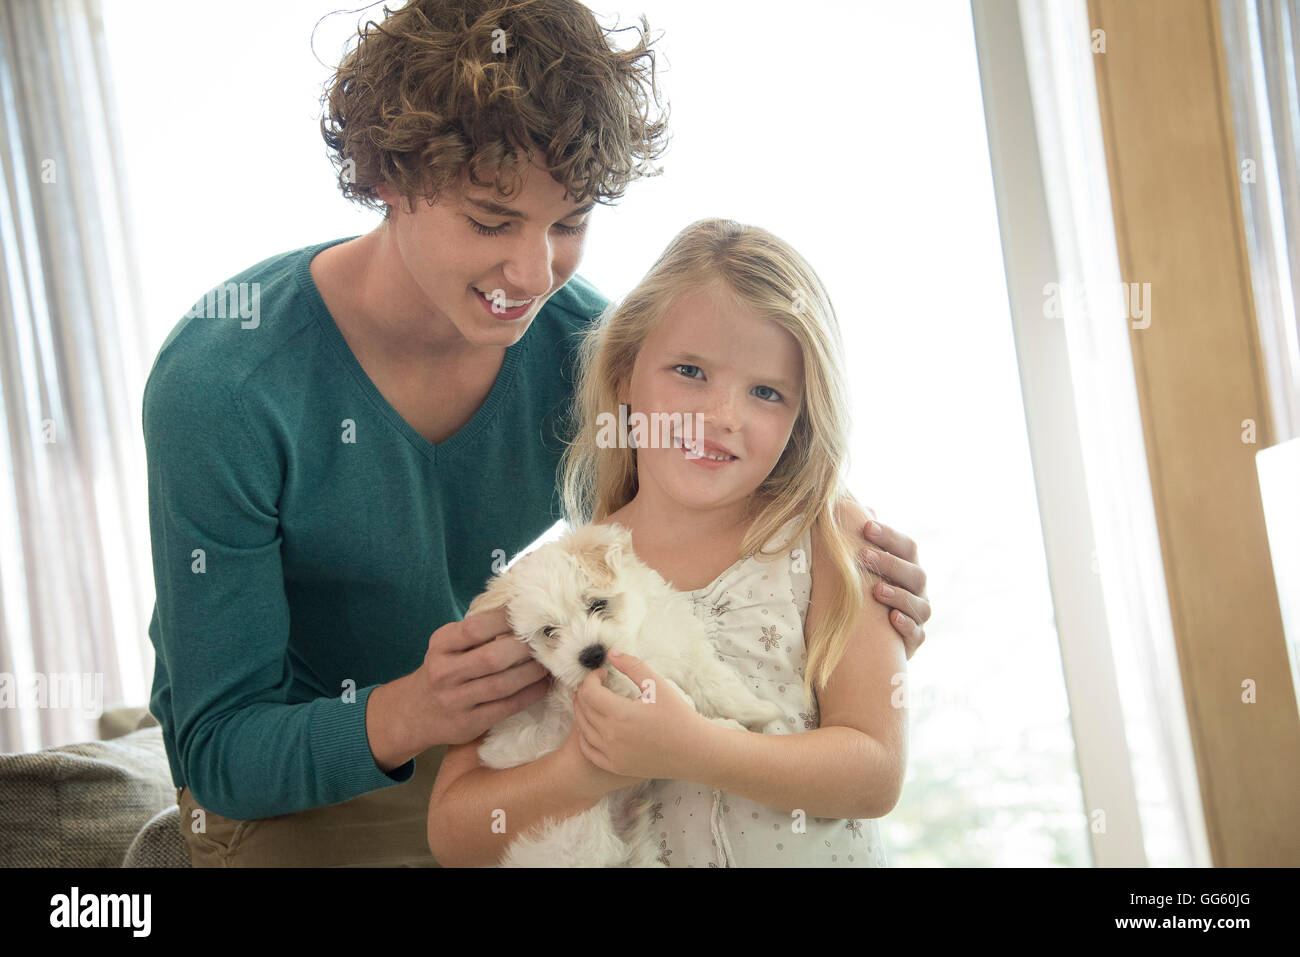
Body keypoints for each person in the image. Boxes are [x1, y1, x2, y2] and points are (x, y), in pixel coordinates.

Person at [143, 0, 930, 868]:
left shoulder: (586, 351)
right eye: (491, 220)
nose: (532, 273)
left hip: (517, 749)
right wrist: (417, 708)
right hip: (304, 776)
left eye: (570, 223)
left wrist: (848, 592)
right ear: (386, 177)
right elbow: (219, 752)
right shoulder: (225, 387)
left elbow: (710, 497)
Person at [428, 218, 907, 866]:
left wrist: (694, 750)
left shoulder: (829, 537)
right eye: (689, 371)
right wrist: (585, 768)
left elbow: (875, 772)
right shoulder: (560, 581)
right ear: (625, 375)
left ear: (802, 416)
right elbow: (455, 831)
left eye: (766, 392)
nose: (721, 416)